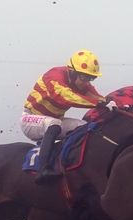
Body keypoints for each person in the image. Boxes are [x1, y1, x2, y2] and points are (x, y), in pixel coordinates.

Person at [21, 50, 107, 184]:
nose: (86, 82)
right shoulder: (54, 75)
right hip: (30, 119)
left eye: (91, 78)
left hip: (56, 121)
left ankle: (68, 162)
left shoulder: (82, 83)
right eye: (84, 77)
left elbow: (97, 98)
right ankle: (42, 169)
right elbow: (64, 97)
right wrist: (99, 103)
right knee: (54, 124)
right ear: (72, 72)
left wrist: (113, 104)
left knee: (84, 127)